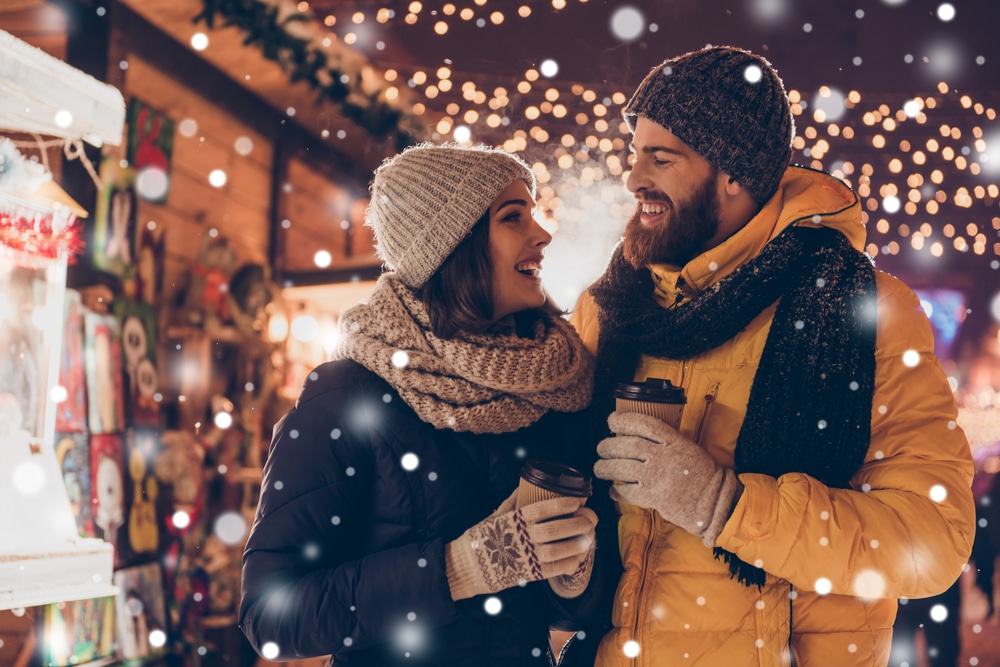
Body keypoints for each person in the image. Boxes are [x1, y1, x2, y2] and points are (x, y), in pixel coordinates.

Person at [569, 45, 977, 666]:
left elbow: (931, 541)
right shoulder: (612, 309)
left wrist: (726, 506)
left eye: (662, 157)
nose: (633, 178)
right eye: (634, 154)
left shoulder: (864, 311)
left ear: (734, 175)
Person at [239, 143, 603, 666]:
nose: (542, 234)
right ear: (453, 245)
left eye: (534, 213)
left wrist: (574, 576)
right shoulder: (346, 395)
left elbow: (566, 619)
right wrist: (457, 569)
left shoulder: (551, 388)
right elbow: (271, 618)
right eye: (513, 217)